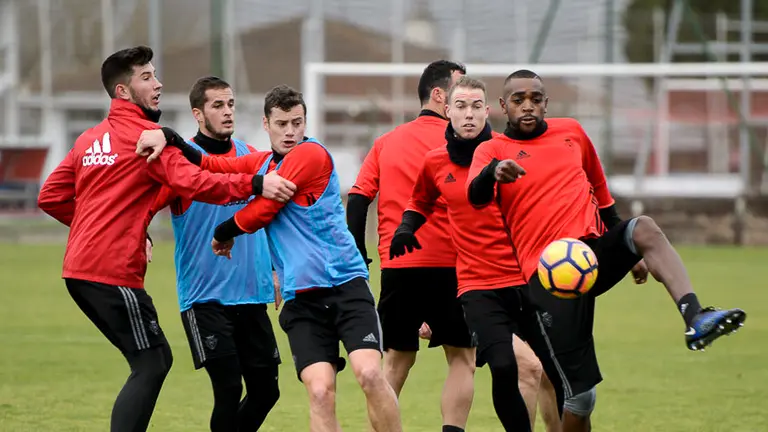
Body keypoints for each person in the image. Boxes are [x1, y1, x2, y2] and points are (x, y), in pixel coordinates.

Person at [468, 69, 748, 430]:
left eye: (536, 99)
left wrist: (630, 250)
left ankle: (695, 318)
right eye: (518, 100)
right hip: (548, 277)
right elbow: (474, 196)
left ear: (546, 104)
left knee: (643, 227)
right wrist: (493, 173)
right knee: (581, 399)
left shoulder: (572, 133)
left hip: (591, 256)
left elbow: (602, 198)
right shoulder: (492, 150)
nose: (528, 106)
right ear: (503, 106)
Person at [36, 46, 296, 432]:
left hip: (83, 268)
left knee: (159, 363)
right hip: (122, 274)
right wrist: (258, 182)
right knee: (153, 362)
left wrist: (108, 230)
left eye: (155, 75)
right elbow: (194, 180)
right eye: (146, 77)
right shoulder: (147, 139)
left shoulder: (90, 139)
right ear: (123, 91)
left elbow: (51, 197)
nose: (157, 84)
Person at [137, 84, 402, 432]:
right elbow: (211, 162)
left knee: (367, 373)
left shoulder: (312, 155)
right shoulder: (261, 161)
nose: (291, 132)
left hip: (344, 285)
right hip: (293, 298)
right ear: (266, 123)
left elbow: (264, 208)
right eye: (282, 124)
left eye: (297, 122)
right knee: (318, 392)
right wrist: (167, 136)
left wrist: (223, 233)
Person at [390, 76, 565, 432]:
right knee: (503, 366)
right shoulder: (435, 162)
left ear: (487, 111)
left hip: (527, 278)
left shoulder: (510, 150)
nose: (468, 115)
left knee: (554, 367)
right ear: (447, 111)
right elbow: (421, 199)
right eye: (460, 107)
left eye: (474, 107)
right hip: (477, 284)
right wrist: (407, 226)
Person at [346, 60, 476, 432]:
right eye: (460, 92)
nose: (466, 102)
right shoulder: (464, 143)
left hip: (399, 268)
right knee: (462, 358)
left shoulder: (386, 142)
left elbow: (357, 200)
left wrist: (361, 254)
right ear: (439, 95)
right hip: (452, 264)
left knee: (395, 363)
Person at [148, 76, 281, 432]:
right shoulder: (180, 166)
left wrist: (275, 268)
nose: (227, 112)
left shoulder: (253, 159)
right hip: (205, 297)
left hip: (252, 294)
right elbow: (143, 208)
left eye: (231, 104)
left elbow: (269, 219)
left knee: (267, 391)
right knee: (228, 388)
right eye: (217, 105)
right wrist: (142, 235)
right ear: (198, 113)